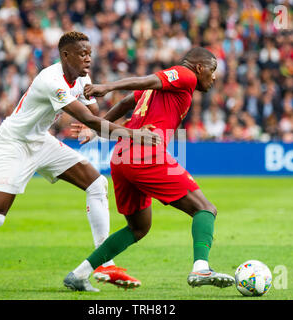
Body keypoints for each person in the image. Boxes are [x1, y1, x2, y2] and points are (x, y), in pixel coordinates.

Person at [0, 31, 160, 294]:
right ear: (65, 55)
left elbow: (94, 116)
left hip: (40, 140)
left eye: (90, 53)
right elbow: (90, 119)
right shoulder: (51, 80)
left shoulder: (83, 77)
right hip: (14, 143)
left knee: (97, 184)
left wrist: (93, 130)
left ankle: (104, 264)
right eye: (82, 53)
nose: (88, 58)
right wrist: (134, 134)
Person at [65, 47, 235, 291]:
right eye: (213, 70)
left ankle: (79, 274)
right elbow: (149, 79)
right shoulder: (185, 75)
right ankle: (201, 268)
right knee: (205, 209)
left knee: (138, 227)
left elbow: (126, 102)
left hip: (122, 157)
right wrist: (107, 87)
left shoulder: (160, 91)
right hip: (146, 154)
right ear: (200, 68)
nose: (215, 77)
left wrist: (96, 129)